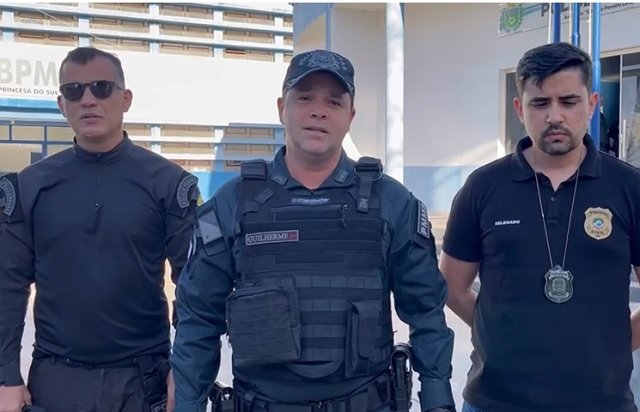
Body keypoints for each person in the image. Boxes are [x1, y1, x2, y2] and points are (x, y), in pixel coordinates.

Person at [170, 49, 456, 412]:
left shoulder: (392, 202)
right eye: (305, 98)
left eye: (334, 102)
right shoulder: (233, 203)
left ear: (350, 116)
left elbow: (427, 314)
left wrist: (438, 402)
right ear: (281, 108)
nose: (319, 111)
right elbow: (199, 319)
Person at [440, 42, 640, 412]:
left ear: (592, 104)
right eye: (540, 103)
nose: (554, 116)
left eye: (569, 101)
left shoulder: (630, 188)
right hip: (496, 401)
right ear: (520, 109)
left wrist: (610, 347)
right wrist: (499, 339)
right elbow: (452, 287)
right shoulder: (483, 187)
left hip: (601, 402)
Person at [0, 47, 199, 412]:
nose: (88, 100)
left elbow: (194, 285)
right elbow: (7, 287)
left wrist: (185, 370)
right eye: (74, 91)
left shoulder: (167, 183)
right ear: (62, 105)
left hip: (143, 383)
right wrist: (5, 376)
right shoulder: (29, 186)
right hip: (58, 381)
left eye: (102, 88)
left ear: (126, 99)